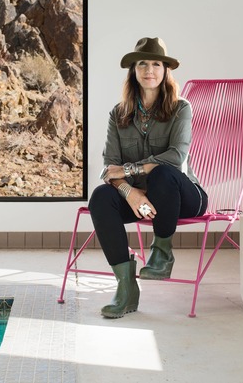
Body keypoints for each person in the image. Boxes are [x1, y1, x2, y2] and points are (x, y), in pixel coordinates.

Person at [90, 37, 208, 318]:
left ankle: (162, 255)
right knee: (100, 197)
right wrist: (130, 191)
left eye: (156, 63)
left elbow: (175, 158)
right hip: (141, 200)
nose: (149, 70)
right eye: (142, 63)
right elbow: (110, 168)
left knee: (164, 174)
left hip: (182, 195)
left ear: (166, 70)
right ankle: (126, 288)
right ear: (133, 70)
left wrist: (131, 171)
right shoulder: (118, 114)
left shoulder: (181, 108)